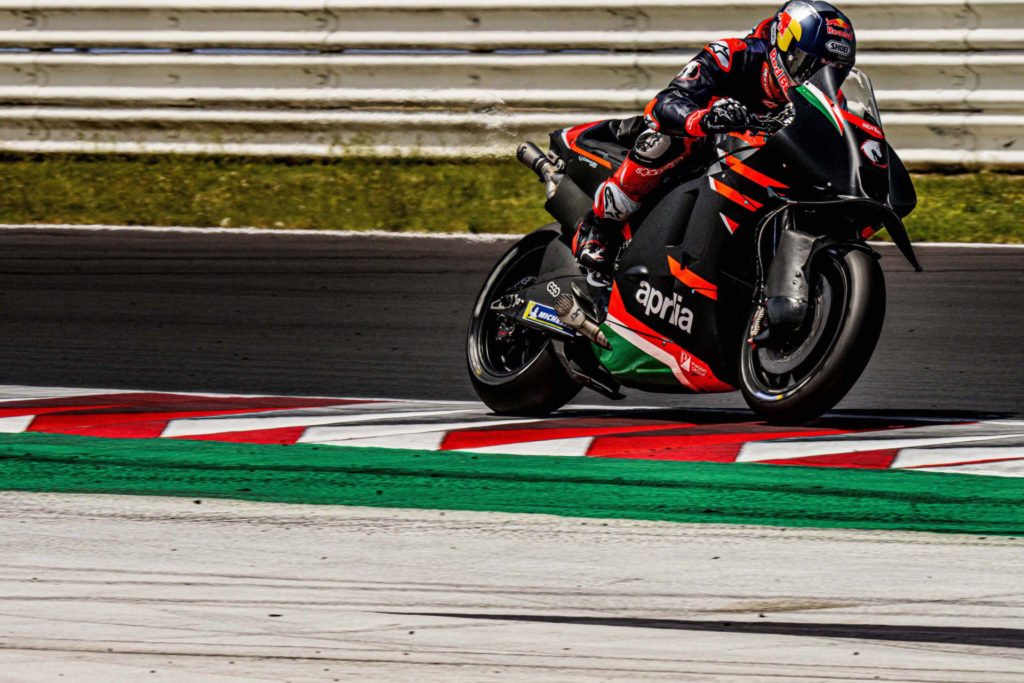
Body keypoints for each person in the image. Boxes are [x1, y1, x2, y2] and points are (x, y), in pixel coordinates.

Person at [573, 0, 857, 284]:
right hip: (703, 151)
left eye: (831, 72)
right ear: (785, 46)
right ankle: (599, 228)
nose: (817, 79)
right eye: (810, 66)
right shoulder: (733, 55)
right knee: (665, 139)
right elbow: (664, 102)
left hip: (758, 169)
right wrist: (704, 118)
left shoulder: (828, 103)